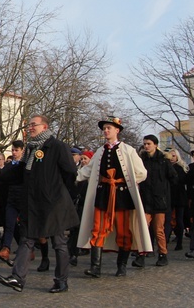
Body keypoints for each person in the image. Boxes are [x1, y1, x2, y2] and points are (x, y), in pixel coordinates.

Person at [0, 115, 79, 294]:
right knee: (26, 240)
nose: (30, 128)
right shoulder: (31, 149)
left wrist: (57, 191)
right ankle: (17, 278)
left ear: (45, 126)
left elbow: (70, 172)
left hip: (53, 204)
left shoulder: (57, 146)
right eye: (29, 125)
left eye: (33, 125)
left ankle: (61, 281)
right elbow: (20, 173)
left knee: (59, 243)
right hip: (32, 203)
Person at [77, 117, 151, 278]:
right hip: (103, 194)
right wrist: (72, 178)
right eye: (104, 128)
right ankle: (95, 267)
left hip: (122, 195)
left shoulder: (128, 150)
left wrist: (127, 182)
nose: (106, 131)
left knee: (124, 231)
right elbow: (88, 170)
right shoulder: (100, 151)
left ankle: (121, 266)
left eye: (109, 128)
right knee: (97, 229)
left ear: (117, 130)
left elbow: (142, 173)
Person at [134, 135, 177, 267]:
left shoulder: (164, 161)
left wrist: (166, 193)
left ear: (155, 145)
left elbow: (173, 178)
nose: (146, 146)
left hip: (160, 200)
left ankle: (163, 254)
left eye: (148, 144)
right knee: (143, 228)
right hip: (146, 199)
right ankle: (141, 255)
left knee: (158, 229)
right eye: (145, 144)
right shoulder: (142, 160)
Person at [164, 148, 188, 251]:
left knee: (179, 219)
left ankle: (179, 241)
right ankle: (166, 239)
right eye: (170, 156)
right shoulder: (165, 167)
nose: (172, 158)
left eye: (174, 156)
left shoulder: (180, 168)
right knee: (167, 219)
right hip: (169, 196)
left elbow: (183, 181)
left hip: (179, 196)